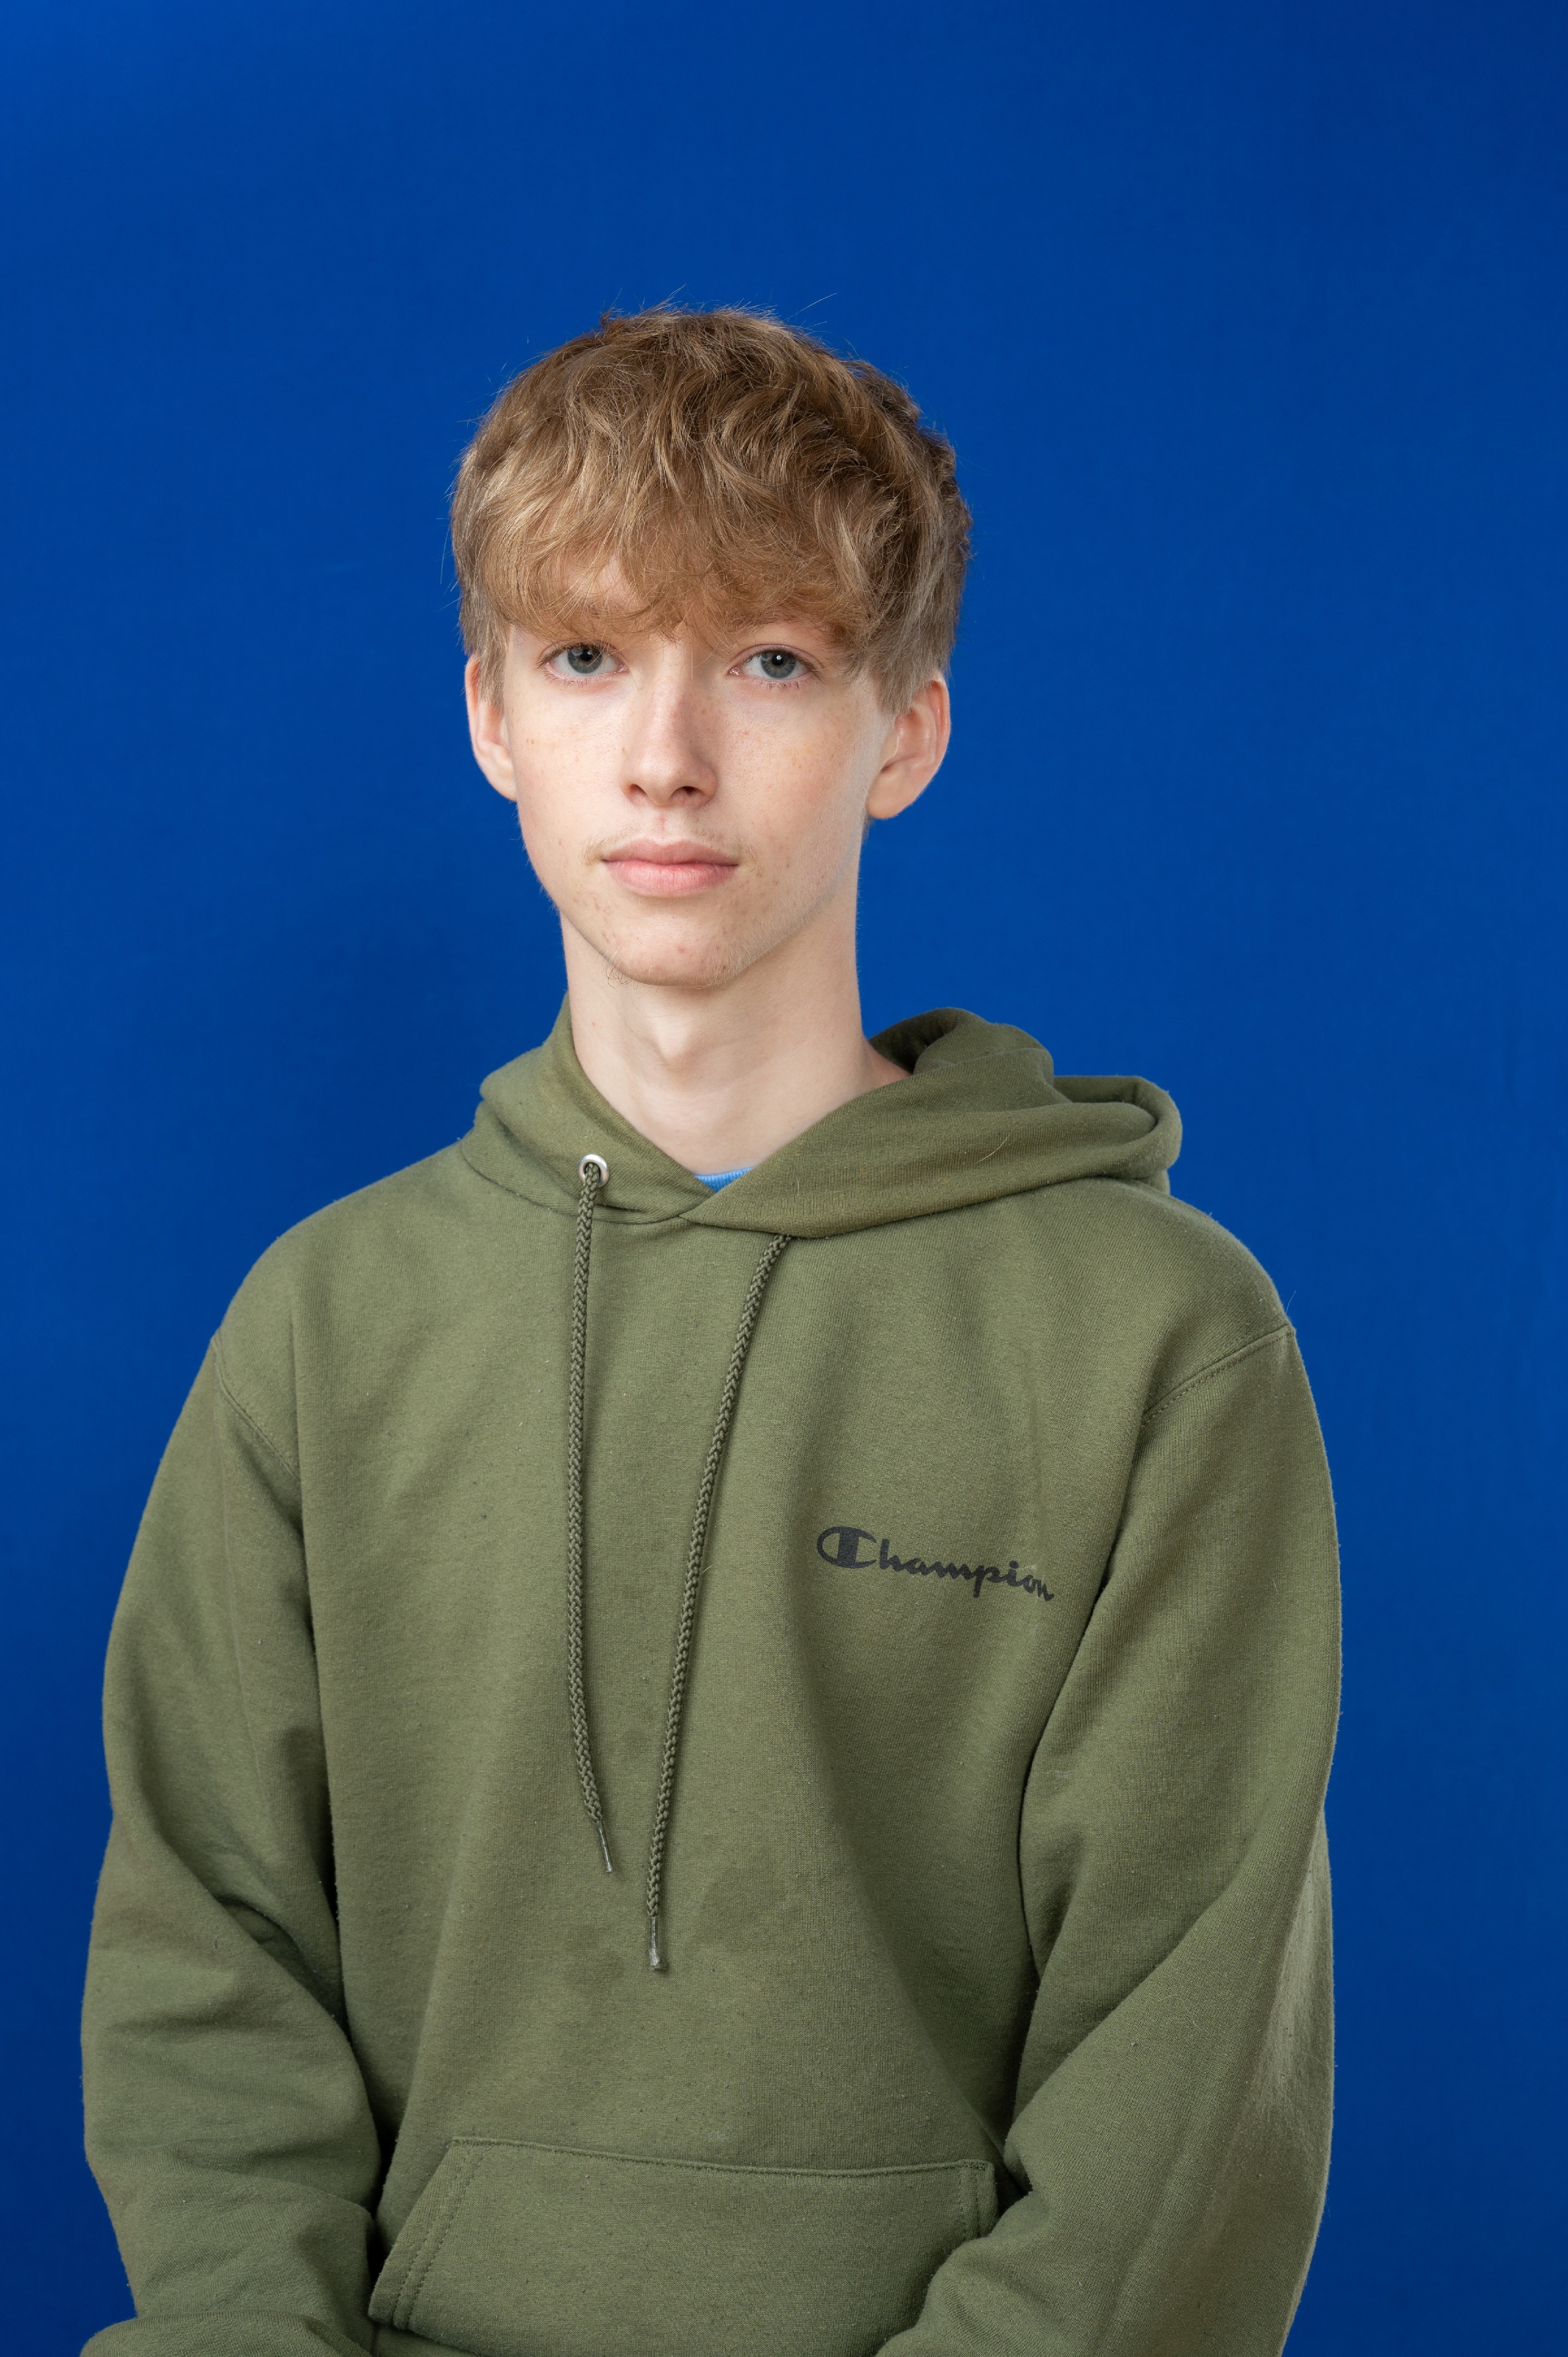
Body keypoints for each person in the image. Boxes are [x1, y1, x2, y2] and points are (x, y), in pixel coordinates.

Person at [82, 307, 1340, 2357]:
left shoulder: (1160, 1341)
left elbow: (1177, 2083)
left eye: (769, 660)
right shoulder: (324, 1322)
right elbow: (204, 1963)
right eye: (588, 656)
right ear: (492, 715)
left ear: (905, 731)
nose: (666, 754)